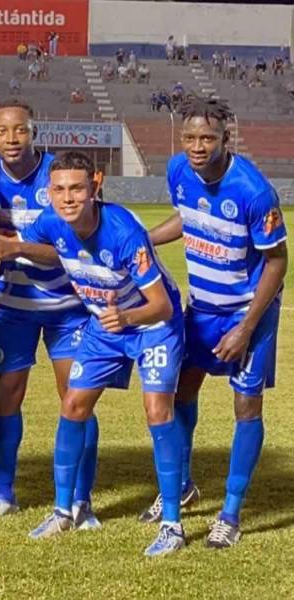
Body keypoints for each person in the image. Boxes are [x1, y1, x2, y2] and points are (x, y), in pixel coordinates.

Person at [0, 151, 186, 556]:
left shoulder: (125, 233)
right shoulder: (52, 221)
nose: (67, 197)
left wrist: (125, 318)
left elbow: (161, 305)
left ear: (96, 184)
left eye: (76, 188)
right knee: (73, 405)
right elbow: (45, 247)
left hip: (152, 326)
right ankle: (63, 511)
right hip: (105, 326)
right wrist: (9, 247)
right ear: (48, 192)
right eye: (58, 189)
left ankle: (172, 524)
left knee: (158, 411)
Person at [144, 97, 287, 549]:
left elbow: (278, 262)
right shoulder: (177, 171)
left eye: (208, 137)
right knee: (181, 389)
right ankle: (183, 487)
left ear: (227, 137)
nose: (197, 146)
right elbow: (188, 220)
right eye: (190, 137)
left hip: (248, 314)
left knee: (246, 407)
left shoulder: (254, 191)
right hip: (201, 307)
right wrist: (142, 241)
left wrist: (245, 328)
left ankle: (230, 512)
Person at [0, 101, 94, 523]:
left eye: (19, 130)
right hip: (13, 307)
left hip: (67, 309)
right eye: (3, 132)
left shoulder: (60, 176)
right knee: (5, 399)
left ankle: (81, 500)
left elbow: (75, 245)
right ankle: (4, 494)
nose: (12, 139)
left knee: (77, 400)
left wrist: (15, 246)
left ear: (33, 132)